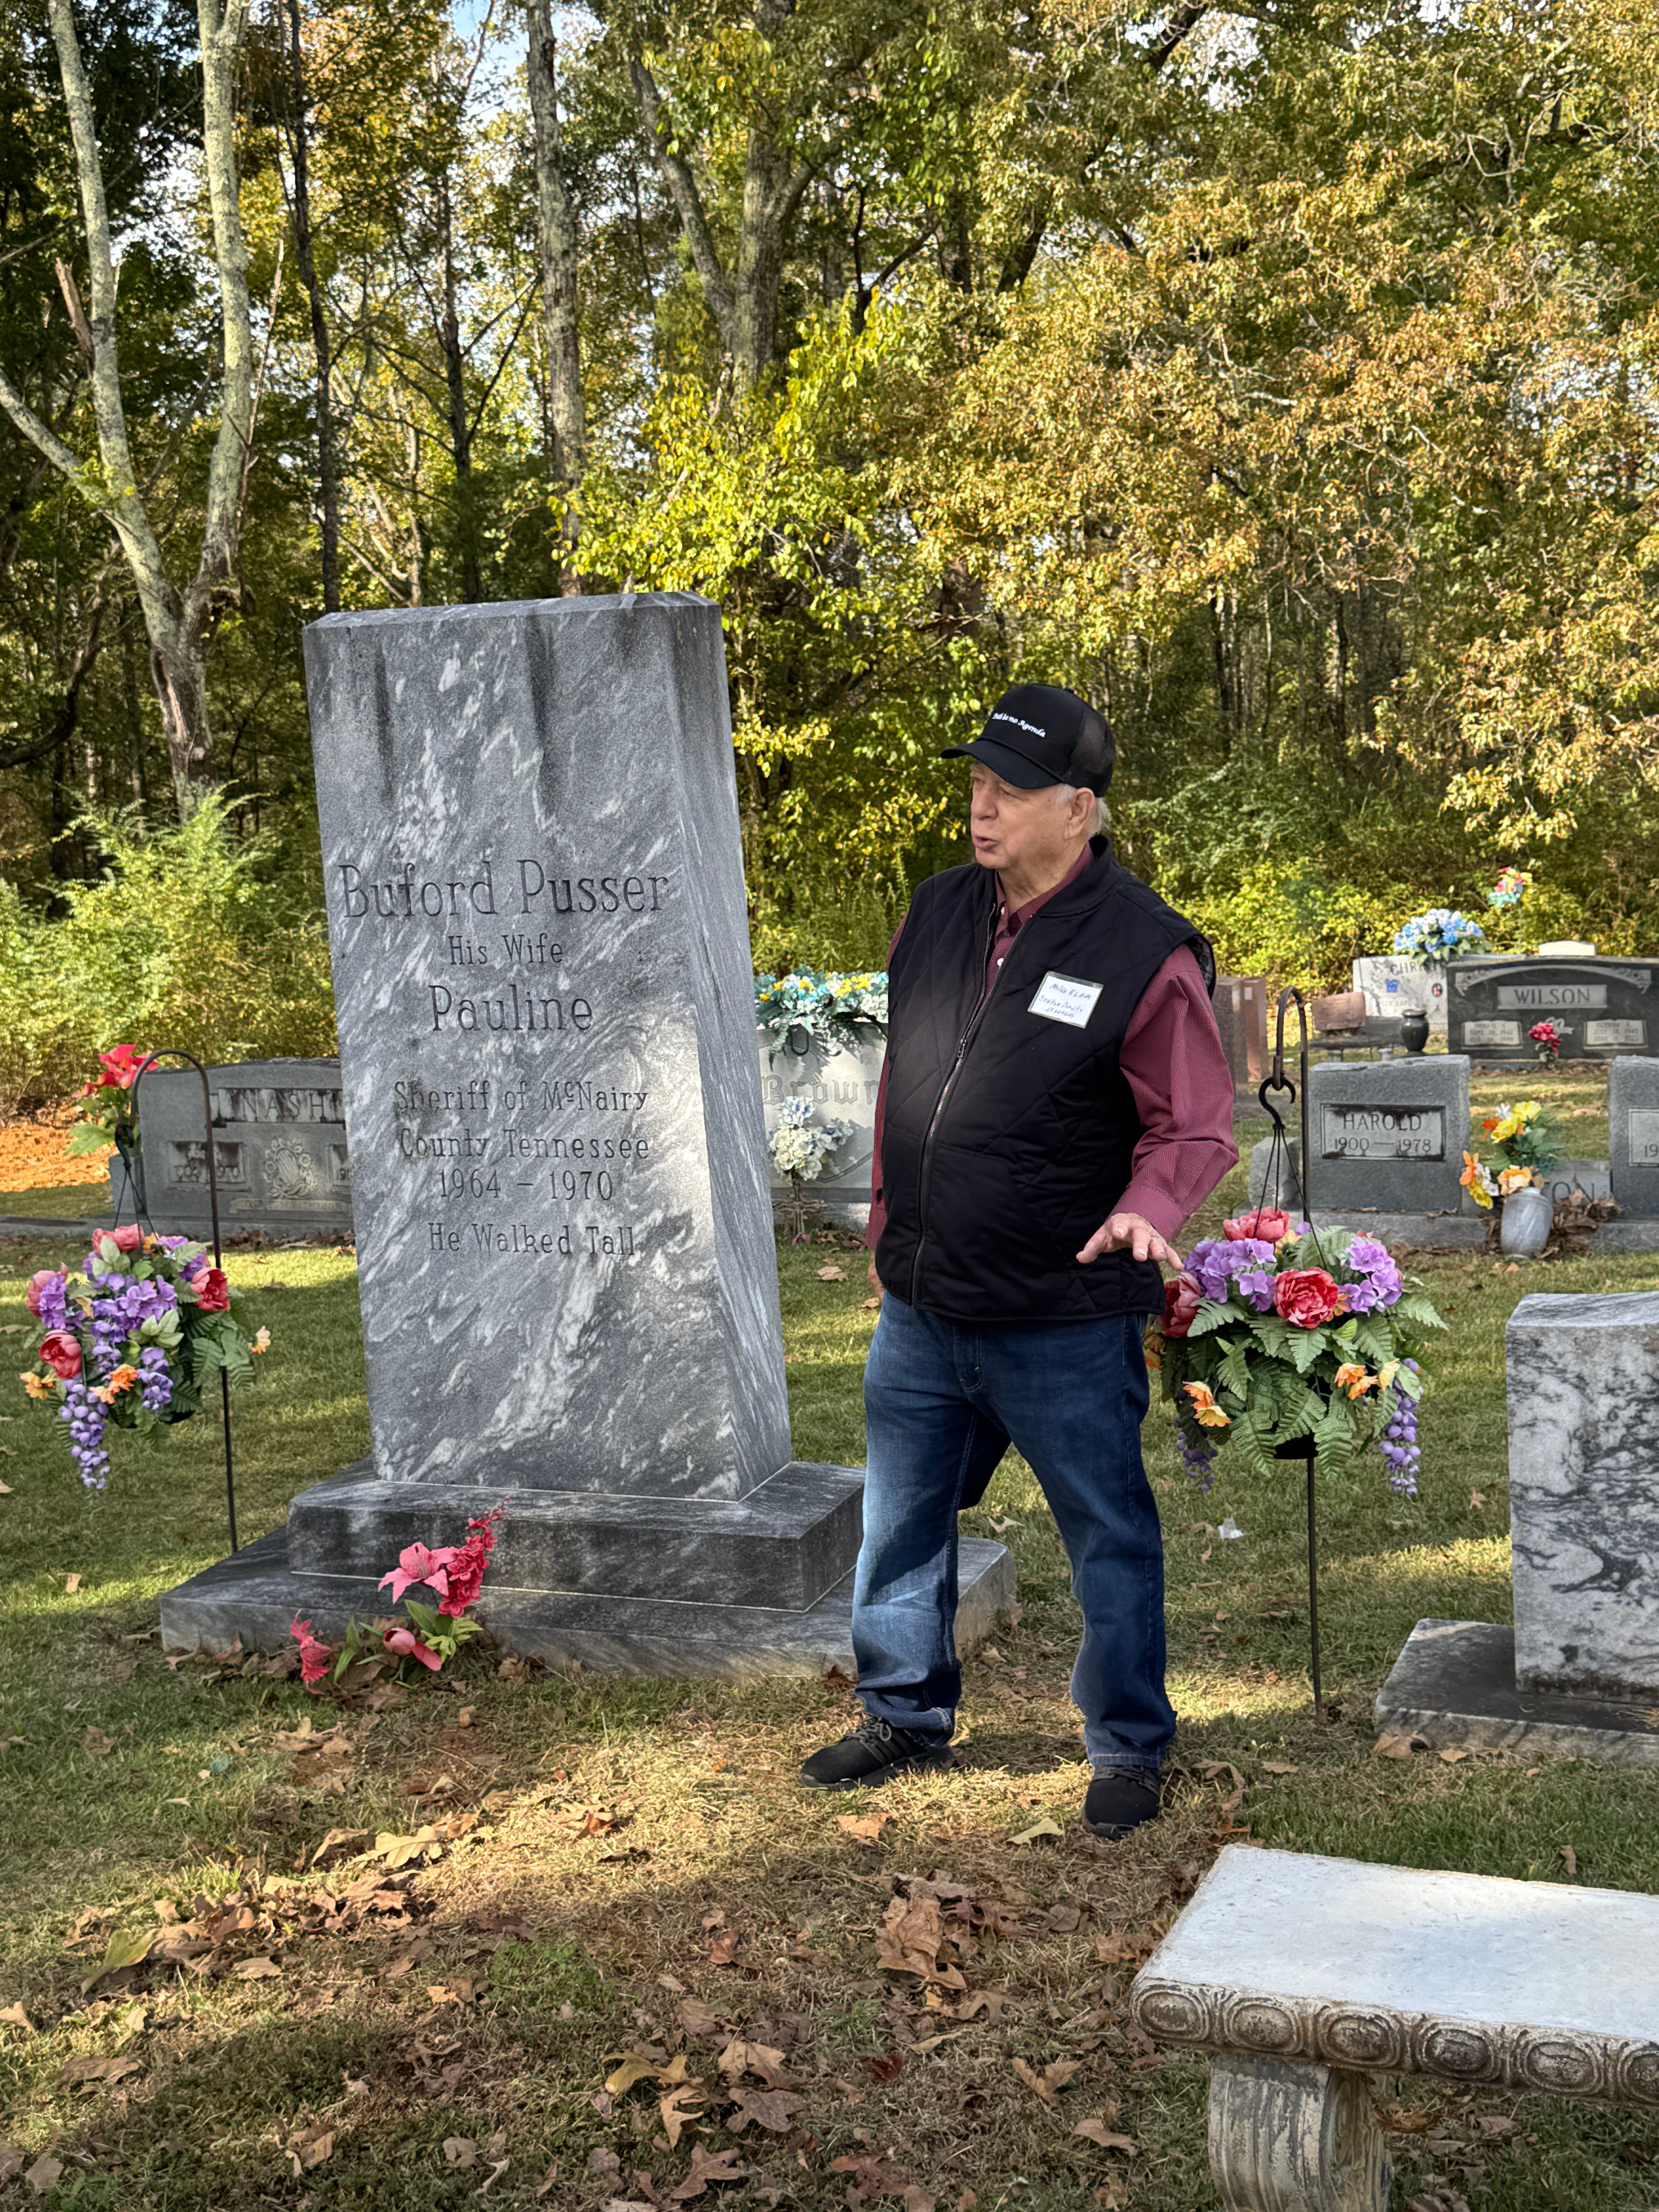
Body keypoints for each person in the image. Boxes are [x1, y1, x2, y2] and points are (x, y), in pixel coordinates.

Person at [798, 682, 1237, 1838]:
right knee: (899, 1517)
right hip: (924, 1302)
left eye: (1009, 791)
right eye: (976, 785)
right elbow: (909, 1078)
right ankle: (902, 1708)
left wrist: (1152, 1208)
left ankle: (1129, 1743)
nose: (980, 809)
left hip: (1061, 1312)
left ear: (1079, 810)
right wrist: (892, 1216)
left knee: (1105, 1526)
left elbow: (1192, 1125)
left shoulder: (1143, 949)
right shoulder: (936, 911)